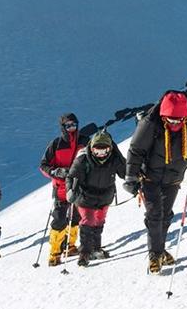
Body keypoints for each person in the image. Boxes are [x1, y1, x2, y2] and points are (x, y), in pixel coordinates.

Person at [124, 91, 187, 274]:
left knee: (166, 214)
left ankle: (160, 249)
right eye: (171, 120)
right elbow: (136, 150)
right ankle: (154, 255)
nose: (175, 123)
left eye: (179, 120)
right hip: (149, 176)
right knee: (155, 214)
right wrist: (131, 177)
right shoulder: (150, 124)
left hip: (174, 177)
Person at [66, 129, 126, 267]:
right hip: (85, 196)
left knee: (99, 221)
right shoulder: (83, 159)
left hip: (105, 196)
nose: (101, 155)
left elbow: (125, 172)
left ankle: (96, 248)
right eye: (97, 151)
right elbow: (71, 176)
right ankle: (85, 253)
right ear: (91, 149)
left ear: (110, 149)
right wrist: (70, 190)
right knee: (88, 221)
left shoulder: (115, 158)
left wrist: (134, 180)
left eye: (104, 151)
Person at [39, 113, 90, 266]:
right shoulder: (56, 144)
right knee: (59, 219)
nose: (71, 128)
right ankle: (55, 252)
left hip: (79, 186)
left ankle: (70, 245)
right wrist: (55, 172)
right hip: (60, 187)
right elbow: (43, 165)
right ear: (63, 127)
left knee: (76, 218)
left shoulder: (85, 141)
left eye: (74, 125)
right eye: (68, 126)